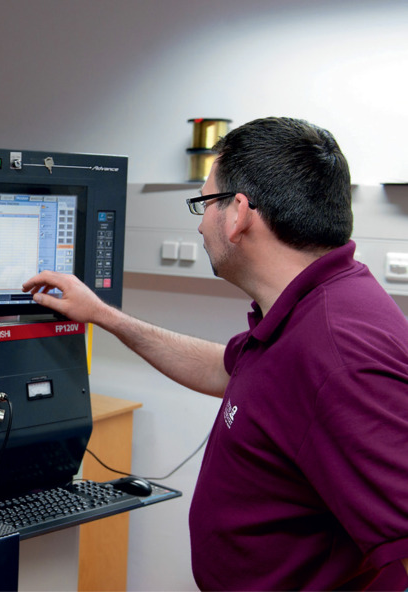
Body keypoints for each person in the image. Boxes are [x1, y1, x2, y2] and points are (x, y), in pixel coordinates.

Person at [22, 117, 408, 590]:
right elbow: (225, 369)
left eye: (204, 204)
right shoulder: (307, 309)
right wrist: (104, 315)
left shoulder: (338, 352)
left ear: (238, 213)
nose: (202, 224)